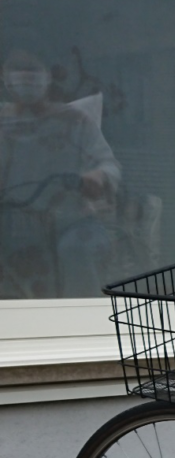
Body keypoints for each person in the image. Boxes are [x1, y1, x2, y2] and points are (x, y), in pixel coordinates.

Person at [0, 46, 121, 299]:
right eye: (16, 69)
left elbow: (109, 166)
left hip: (69, 221)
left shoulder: (75, 120)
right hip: (9, 222)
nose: (24, 76)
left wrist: (97, 177)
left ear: (48, 75)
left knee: (77, 249)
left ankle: (85, 326)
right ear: (4, 75)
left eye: (32, 69)